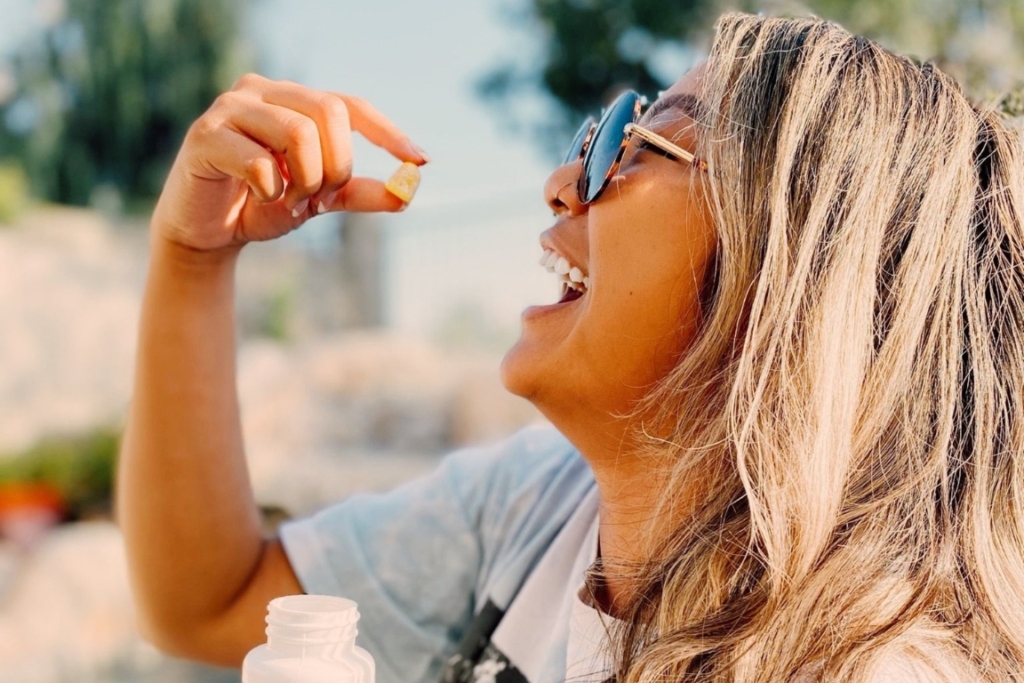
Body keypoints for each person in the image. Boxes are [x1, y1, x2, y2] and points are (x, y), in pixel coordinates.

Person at [116, 11, 1024, 683]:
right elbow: (213, 602)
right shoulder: (539, 507)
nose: (562, 182)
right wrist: (194, 256)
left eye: (638, 142)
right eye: (597, 136)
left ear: (795, 276)